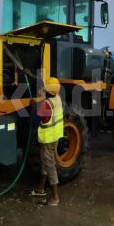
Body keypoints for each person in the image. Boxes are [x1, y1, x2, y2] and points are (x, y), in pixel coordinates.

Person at [31, 77, 64, 206]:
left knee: (49, 165)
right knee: (46, 162)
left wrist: (34, 106)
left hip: (48, 139)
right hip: (55, 136)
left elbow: (36, 119)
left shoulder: (46, 104)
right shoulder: (58, 99)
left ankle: (55, 197)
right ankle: (41, 188)